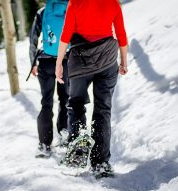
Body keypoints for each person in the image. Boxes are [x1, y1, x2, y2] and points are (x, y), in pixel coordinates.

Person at [55, 0, 128, 176]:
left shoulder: (75, 2)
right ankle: (101, 163)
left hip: (80, 60)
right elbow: (121, 34)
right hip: (107, 59)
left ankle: (78, 149)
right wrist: (124, 61)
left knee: (76, 104)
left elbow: (66, 34)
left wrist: (59, 63)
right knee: (103, 109)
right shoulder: (113, 3)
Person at [29, 0, 69, 158]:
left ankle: (44, 145)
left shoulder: (42, 12)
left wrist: (33, 62)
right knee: (65, 99)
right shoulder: (70, 9)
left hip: (45, 62)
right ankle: (65, 138)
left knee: (46, 102)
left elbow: (33, 38)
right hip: (66, 61)